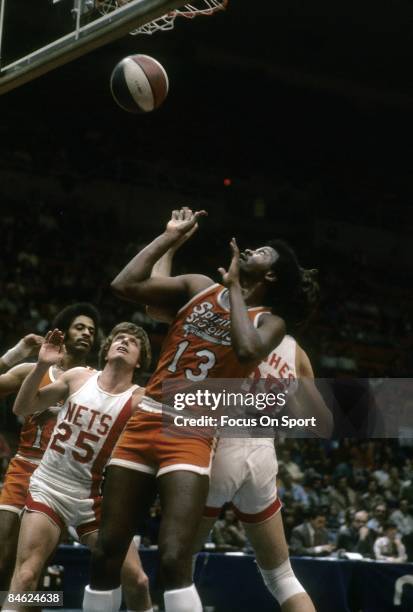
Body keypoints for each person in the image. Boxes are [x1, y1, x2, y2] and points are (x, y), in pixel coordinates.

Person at [84, 206, 307, 612]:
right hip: (147, 417)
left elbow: (245, 350)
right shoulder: (198, 286)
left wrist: (237, 289)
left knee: (174, 557)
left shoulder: (271, 323)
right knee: (106, 553)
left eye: (261, 252)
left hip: (194, 431)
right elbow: (124, 284)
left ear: (270, 276)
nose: (250, 249)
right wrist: (169, 236)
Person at [148, 212, 328, 611]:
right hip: (261, 453)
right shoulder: (293, 348)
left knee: (178, 565)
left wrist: (171, 245)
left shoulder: (235, 315)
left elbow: (155, 301)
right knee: (282, 576)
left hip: (216, 444)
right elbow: (321, 424)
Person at [4, 323, 152, 612]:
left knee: (138, 580)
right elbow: (21, 409)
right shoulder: (75, 376)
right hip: (40, 481)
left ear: (140, 359)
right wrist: (37, 364)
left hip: (92, 496)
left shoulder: (140, 399)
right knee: (22, 574)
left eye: (132, 341)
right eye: (118, 337)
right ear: (106, 349)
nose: (123, 341)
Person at [0, 303, 100, 591]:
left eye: (91, 330)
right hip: (24, 467)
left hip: (60, 476)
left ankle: (31, 608)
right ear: (64, 331)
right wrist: (16, 352)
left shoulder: (97, 381)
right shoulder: (32, 370)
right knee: (3, 561)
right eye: (79, 327)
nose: (86, 334)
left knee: (35, 570)